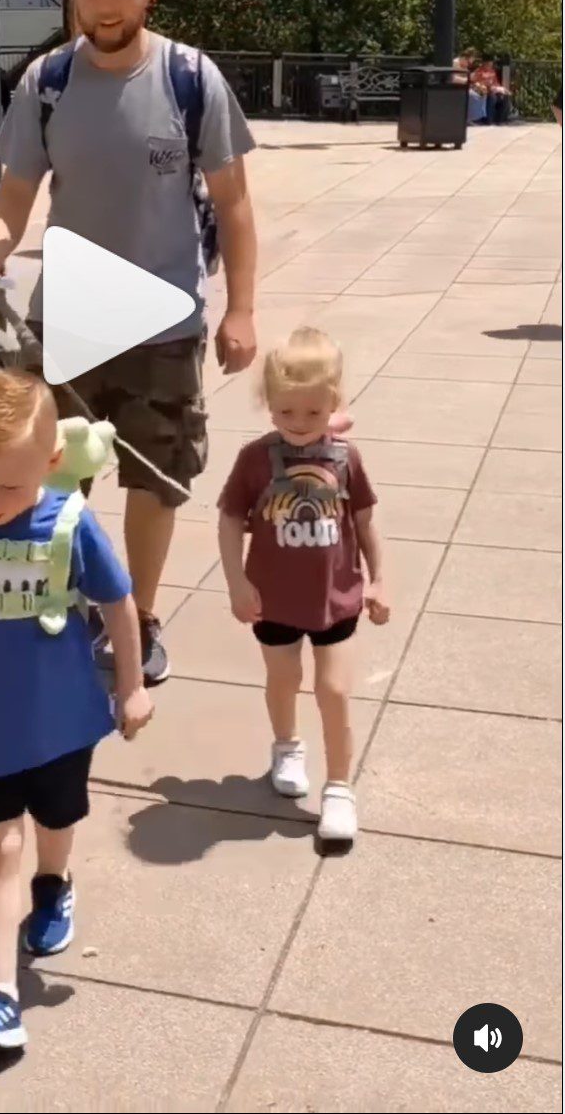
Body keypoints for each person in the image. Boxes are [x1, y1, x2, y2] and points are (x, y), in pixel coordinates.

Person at [0, 0, 258, 686]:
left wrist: (240, 309)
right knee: (55, 477)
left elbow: (236, 202)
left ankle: (141, 618)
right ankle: (57, 604)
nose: (108, 3)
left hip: (165, 322)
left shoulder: (191, 77)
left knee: (155, 481)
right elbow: (12, 197)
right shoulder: (45, 83)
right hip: (70, 323)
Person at [0, 368, 152, 1051]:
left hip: (60, 718)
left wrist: (133, 682)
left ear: (52, 463)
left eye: (10, 485)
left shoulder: (72, 525)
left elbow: (118, 603)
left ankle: (54, 882)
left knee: (55, 821)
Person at [217, 328, 389, 845]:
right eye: (286, 412)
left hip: (336, 598)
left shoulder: (345, 458)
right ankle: (287, 746)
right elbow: (228, 520)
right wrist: (236, 582)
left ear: (332, 403)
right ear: (269, 405)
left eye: (313, 414)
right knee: (284, 678)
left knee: (333, 689)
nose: (298, 424)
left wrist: (380, 579)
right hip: (272, 599)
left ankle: (339, 788)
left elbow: (364, 521)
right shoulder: (254, 459)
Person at [470, 57, 511, 124]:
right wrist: (486, 85)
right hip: (484, 90)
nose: (489, 66)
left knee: (505, 97)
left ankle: (500, 120)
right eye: (488, 64)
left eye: (491, 64)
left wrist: (500, 89)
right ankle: (489, 120)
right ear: (484, 64)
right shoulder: (479, 71)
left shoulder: (492, 71)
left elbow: (496, 83)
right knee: (492, 98)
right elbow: (476, 83)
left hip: (493, 89)